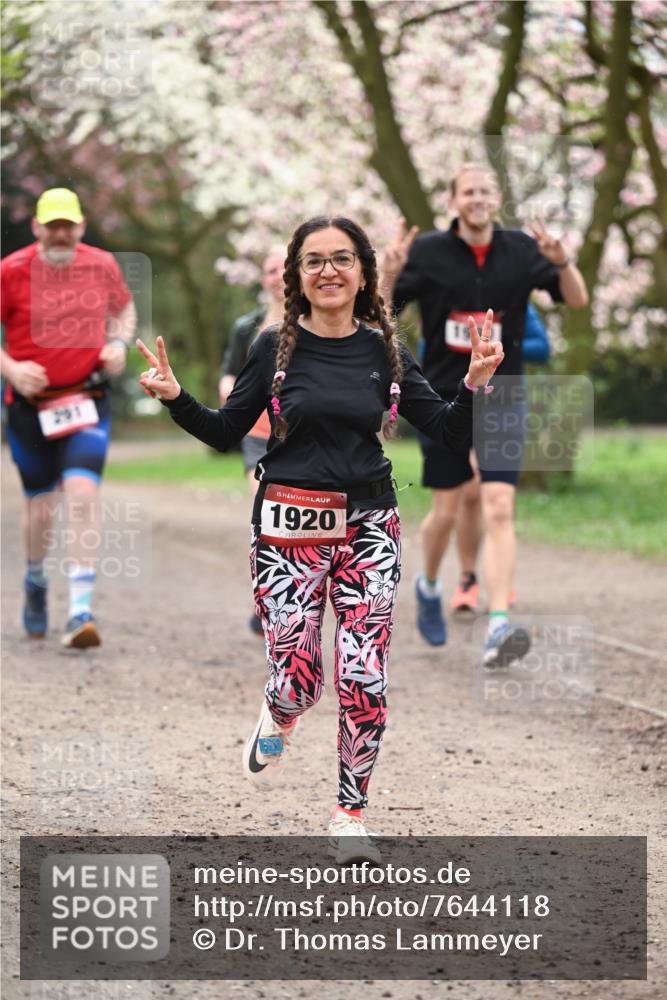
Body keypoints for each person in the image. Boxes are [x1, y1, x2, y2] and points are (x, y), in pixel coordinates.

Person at [137, 215, 503, 862]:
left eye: (341, 259)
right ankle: (280, 710)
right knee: (299, 680)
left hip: (369, 525)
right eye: (314, 261)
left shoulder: (386, 352)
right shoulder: (272, 348)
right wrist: (174, 397)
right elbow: (225, 432)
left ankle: (349, 814)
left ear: (363, 273)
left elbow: (447, 431)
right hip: (288, 527)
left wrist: (473, 384)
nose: (328, 271)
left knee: (364, 675)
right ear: (296, 276)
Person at [382, 163, 588, 666]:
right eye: (468, 191)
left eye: (486, 190)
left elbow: (577, 299)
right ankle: (430, 583)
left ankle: (498, 625)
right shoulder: (428, 251)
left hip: (503, 395)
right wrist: (389, 273)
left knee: (498, 506)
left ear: (497, 198)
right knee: (447, 510)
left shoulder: (521, 248)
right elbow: (380, 315)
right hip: (442, 398)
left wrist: (562, 262)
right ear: (453, 201)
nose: (478, 198)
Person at [0, 187, 136, 648]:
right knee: (41, 508)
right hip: (30, 409)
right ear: (36, 227)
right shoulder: (11, 270)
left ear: (81, 226)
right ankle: (36, 580)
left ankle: (80, 611)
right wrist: (12, 370)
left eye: (68, 225)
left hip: (86, 400)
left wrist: (117, 343)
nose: (60, 234)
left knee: (81, 495)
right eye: (52, 225)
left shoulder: (102, 264)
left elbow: (124, 309)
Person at [451, 302, 551, 614]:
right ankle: (468, 577)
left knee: (499, 502)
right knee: (469, 492)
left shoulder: (516, 300)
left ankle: (501, 585)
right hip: (459, 399)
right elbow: (429, 346)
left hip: (504, 405)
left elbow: (542, 348)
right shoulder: (447, 297)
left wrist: (500, 346)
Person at [218, 249, 285, 636]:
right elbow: (230, 373)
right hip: (258, 435)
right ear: (263, 279)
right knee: (267, 509)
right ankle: (267, 597)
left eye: (284, 268)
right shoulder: (247, 328)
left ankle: (288, 594)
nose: (278, 276)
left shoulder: (317, 321)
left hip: (302, 436)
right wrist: (229, 389)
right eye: (271, 270)